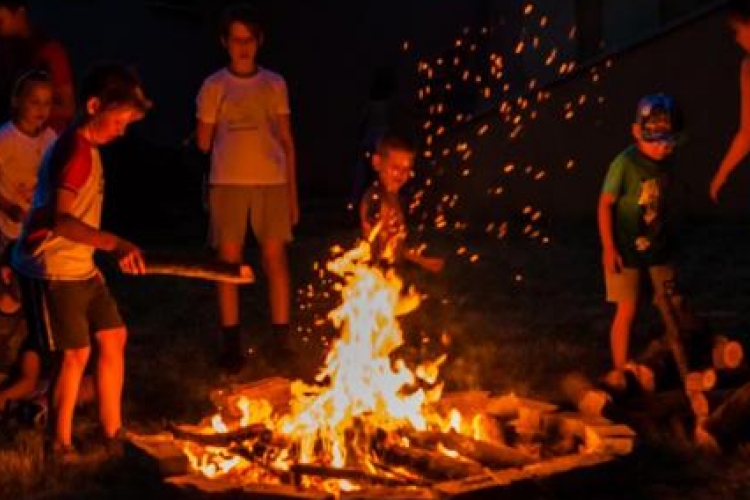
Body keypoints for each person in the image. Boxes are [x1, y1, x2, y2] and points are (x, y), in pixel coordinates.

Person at [12, 62, 150, 462]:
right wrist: (115, 244)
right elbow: (60, 220)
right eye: (120, 119)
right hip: (52, 267)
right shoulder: (74, 151)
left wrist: (100, 250)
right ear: (94, 106)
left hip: (80, 266)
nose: (123, 129)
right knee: (74, 355)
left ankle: (113, 431)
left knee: (113, 337)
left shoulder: (88, 147)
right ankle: (60, 443)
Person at [195, 5, 298, 373]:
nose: (243, 47)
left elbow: (286, 139)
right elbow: (204, 143)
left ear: (259, 41)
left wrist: (292, 194)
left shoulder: (274, 83)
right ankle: (231, 343)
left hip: (271, 180)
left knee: (275, 259)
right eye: (236, 40)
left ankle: (281, 339)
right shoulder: (213, 86)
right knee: (229, 263)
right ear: (225, 42)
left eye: (249, 40)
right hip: (228, 182)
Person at [598, 93, 682, 390]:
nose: (660, 147)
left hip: (658, 249)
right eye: (653, 140)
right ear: (637, 132)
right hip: (625, 250)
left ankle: (683, 366)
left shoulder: (666, 162)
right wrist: (609, 248)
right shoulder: (624, 164)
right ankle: (621, 371)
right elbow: (605, 204)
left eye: (665, 141)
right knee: (627, 309)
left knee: (673, 307)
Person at [0, 69, 55, 411]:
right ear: (17, 102)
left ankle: (33, 358)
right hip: (6, 227)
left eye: (47, 103)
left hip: (35, 230)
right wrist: (7, 205)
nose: (40, 109)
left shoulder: (49, 138)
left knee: (33, 287)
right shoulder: (5, 139)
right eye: (34, 102)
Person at [359, 132, 444, 273]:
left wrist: (421, 260)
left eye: (406, 169)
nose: (401, 175)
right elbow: (379, 243)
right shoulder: (376, 198)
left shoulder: (395, 197)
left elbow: (396, 243)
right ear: (377, 162)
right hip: (378, 275)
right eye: (395, 168)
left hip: (393, 272)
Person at [0, 0, 75, 132]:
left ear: (19, 13)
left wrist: (33, 107)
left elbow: (68, 108)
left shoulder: (50, 51)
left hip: (47, 140)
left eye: (1, 19)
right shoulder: (8, 52)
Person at [709, 0, 750, 202]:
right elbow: (747, 133)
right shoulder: (747, 68)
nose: (736, 38)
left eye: (737, 30)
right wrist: (721, 175)